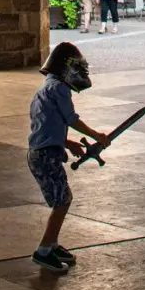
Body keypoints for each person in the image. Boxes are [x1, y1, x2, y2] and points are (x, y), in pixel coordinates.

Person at [28, 42, 110, 274]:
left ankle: (53, 244)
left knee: (62, 198)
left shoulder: (45, 88)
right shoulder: (60, 89)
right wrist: (96, 135)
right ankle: (44, 250)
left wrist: (67, 142)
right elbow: (70, 118)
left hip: (39, 152)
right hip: (46, 156)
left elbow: (46, 125)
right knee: (62, 201)